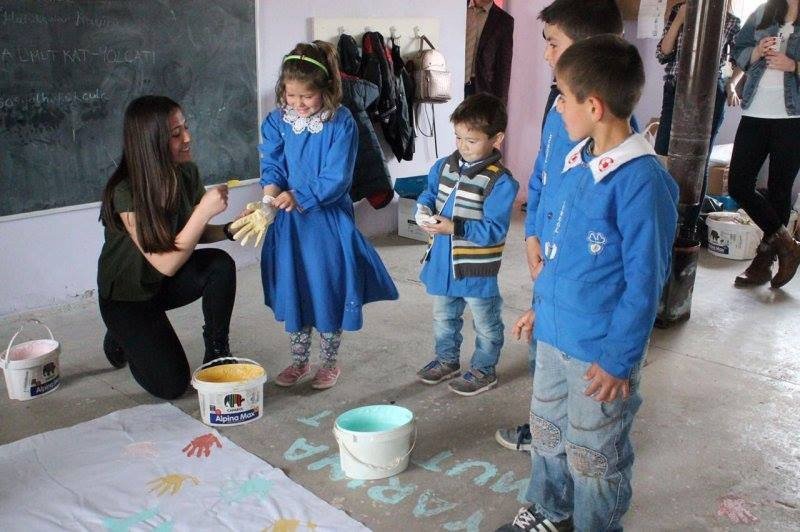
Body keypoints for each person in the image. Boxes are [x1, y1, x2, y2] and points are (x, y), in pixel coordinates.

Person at [497, 35, 678, 532]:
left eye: (562, 95)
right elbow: (558, 249)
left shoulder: (642, 182)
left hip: (598, 355)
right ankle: (551, 510)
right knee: (550, 433)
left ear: (593, 106)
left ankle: (597, 525)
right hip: (554, 336)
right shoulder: (576, 160)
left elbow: (645, 285)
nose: (557, 105)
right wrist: (540, 306)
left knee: (594, 452)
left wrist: (619, 359)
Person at [496, 0, 625, 453]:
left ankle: (581, 435)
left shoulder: (619, 153)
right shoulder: (560, 103)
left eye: (554, 44)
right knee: (545, 351)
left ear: (592, 50)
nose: (547, 55)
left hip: (585, 272)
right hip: (547, 259)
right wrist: (531, 231)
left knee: (582, 366)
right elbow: (542, 176)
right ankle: (547, 424)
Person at [251, 41, 398, 390]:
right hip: (289, 224)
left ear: (326, 90)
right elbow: (272, 166)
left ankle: (328, 363)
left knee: (327, 290)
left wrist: (297, 196)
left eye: (307, 96)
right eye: (291, 95)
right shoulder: (277, 121)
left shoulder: (340, 122)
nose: (298, 104)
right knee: (296, 288)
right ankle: (299, 361)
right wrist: (268, 200)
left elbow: (336, 179)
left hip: (326, 223)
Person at [97, 95, 239, 400]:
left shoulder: (186, 172)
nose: (187, 139)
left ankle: (217, 351)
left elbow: (192, 233)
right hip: (127, 298)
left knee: (220, 265)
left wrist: (229, 229)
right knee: (172, 387)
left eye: (185, 128)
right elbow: (167, 262)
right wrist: (204, 210)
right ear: (150, 143)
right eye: (176, 135)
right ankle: (123, 337)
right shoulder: (125, 192)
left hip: (160, 285)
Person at [414, 93, 518, 396]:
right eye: (458, 137)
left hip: (476, 269)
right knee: (444, 317)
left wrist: (453, 227)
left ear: (496, 138)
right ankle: (447, 360)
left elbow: (494, 231)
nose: (462, 145)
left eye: (471, 140)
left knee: (486, 324)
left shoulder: (500, 182)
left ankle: (484, 369)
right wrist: (422, 209)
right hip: (444, 264)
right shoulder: (444, 166)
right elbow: (428, 193)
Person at [728, 0, 800, 288]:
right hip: (755, 110)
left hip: (793, 116)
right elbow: (738, 51)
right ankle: (788, 245)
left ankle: (762, 264)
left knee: (779, 191)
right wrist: (757, 51)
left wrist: (794, 65)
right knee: (738, 184)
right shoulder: (763, 12)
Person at [654, 0, 742, 229]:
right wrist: (681, 18)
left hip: (710, 94)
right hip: (675, 89)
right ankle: (662, 220)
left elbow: (741, 59)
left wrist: (732, 83)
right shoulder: (679, 10)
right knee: (662, 153)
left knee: (698, 161)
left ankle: (688, 228)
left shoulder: (730, 20)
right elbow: (663, 53)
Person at [465, 0, 514, 103]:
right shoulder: (456, 8)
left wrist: (500, 108)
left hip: (480, 89)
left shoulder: (504, 21)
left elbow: (503, 68)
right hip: (451, 82)